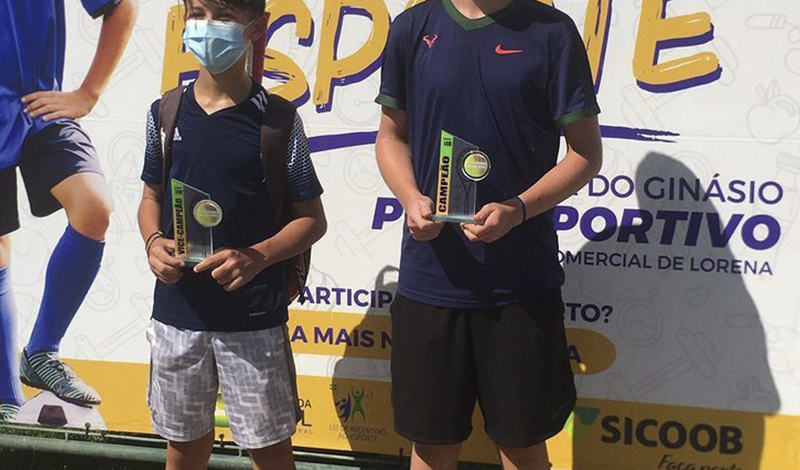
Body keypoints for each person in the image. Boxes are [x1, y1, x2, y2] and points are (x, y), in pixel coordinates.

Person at [374, 0, 603, 468]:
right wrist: (410, 197)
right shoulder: (413, 27)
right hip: (431, 278)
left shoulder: (553, 32)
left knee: (521, 444)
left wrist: (519, 210)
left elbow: (585, 154)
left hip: (520, 284)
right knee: (431, 444)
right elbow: (390, 137)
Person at [136, 0, 326, 468]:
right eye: (197, 13)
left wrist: (258, 255)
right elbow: (150, 198)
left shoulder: (278, 120)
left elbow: (312, 220)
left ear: (255, 29)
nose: (206, 27)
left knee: (270, 451)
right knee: (183, 450)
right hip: (179, 315)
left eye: (222, 15)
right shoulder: (164, 112)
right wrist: (152, 243)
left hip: (252, 320)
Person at [0, 0, 138, 419]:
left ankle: (41, 351)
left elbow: (122, 6)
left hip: (35, 103)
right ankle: (7, 400)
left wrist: (88, 93)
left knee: (94, 207)